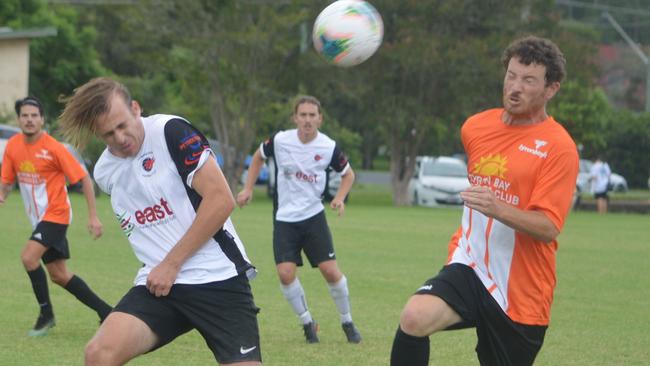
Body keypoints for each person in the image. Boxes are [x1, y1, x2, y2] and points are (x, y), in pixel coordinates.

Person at [390, 35, 579, 366]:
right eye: (511, 75)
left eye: (528, 80)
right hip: (470, 265)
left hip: (522, 292)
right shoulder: (475, 128)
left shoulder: (558, 148)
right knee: (414, 318)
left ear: (551, 89)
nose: (515, 87)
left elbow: (549, 227)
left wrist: (497, 208)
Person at [58, 77, 262, 366]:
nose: (120, 138)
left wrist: (171, 264)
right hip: (159, 286)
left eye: (122, 125)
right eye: (108, 134)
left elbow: (221, 200)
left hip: (217, 276)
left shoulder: (171, 132)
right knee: (99, 354)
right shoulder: (105, 171)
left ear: (136, 108)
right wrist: (162, 267)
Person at [236, 95, 361, 344]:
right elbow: (258, 156)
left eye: (312, 115)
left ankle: (347, 321)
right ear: (295, 118)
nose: (307, 120)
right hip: (284, 219)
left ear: (320, 119)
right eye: (302, 115)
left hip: (314, 217)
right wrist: (248, 188)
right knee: (285, 273)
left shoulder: (328, 147)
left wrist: (339, 198)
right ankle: (307, 323)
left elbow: (348, 175)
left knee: (330, 271)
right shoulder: (281, 140)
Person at [0, 96, 112, 337]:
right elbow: (7, 182)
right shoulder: (13, 146)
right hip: (38, 219)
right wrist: (2, 194)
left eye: (34, 115)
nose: (29, 120)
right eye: (25, 116)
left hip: (57, 214)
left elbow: (84, 179)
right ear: (19, 119)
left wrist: (93, 216)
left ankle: (46, 315)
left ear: (42, 119)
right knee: (59, 275)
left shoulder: (53, 148)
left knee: (29, 258)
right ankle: (106, 312)